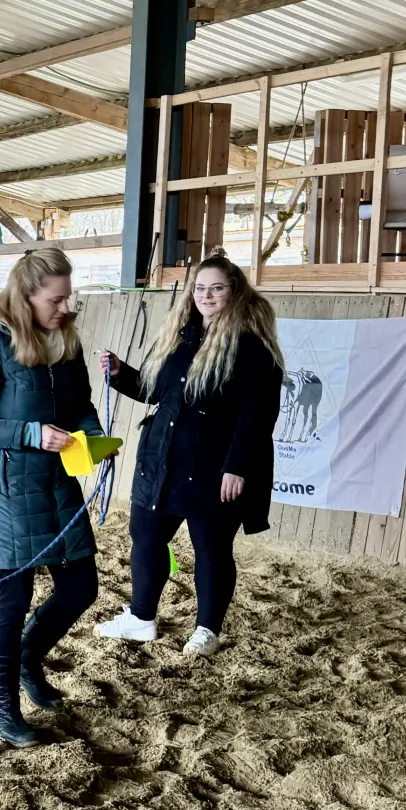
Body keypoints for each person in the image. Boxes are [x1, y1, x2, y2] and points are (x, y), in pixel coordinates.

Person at [0, 248, 105, 748]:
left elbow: (80, 404)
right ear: (26, 296)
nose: (65, 308)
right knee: (12, 600)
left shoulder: (66, 341)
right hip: (3, 488)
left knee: (80, 588)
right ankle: (1, 708)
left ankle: (27, 661)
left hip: (57, 481)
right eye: (55, 300)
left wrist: (93, 436)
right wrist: (32, 434)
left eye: (68, 298)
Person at [94, 251, 284, 657]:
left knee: (211, 547)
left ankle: (207, 629)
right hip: (162, 459)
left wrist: (237, 468)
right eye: (200, 288)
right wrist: (119, 374)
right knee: (145, 537)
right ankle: (142, 617)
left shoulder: (251, 349)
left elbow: (258, 416)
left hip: (215, 466)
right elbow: (154, 392)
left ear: (235, 292)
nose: (206, 295)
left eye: (217, 288)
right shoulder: (181, 338)